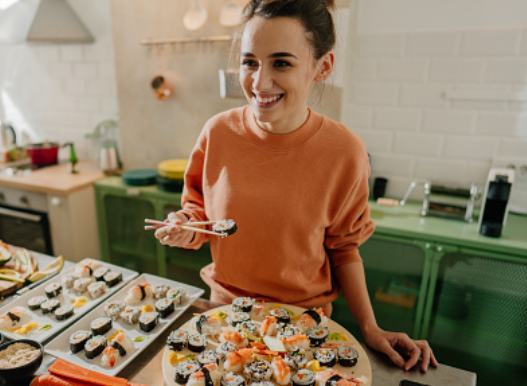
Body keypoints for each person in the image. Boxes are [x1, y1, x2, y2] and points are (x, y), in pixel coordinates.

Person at [151, 0, 438, 373]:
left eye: (281, 63)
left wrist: (370, 327)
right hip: (224, 317)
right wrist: (183, 229)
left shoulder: (345, 152)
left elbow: (344, 247)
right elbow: (200, 217)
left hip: (302, 328)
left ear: (323, 67)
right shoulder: (218, 132)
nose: (259, 81)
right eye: (250, 61)